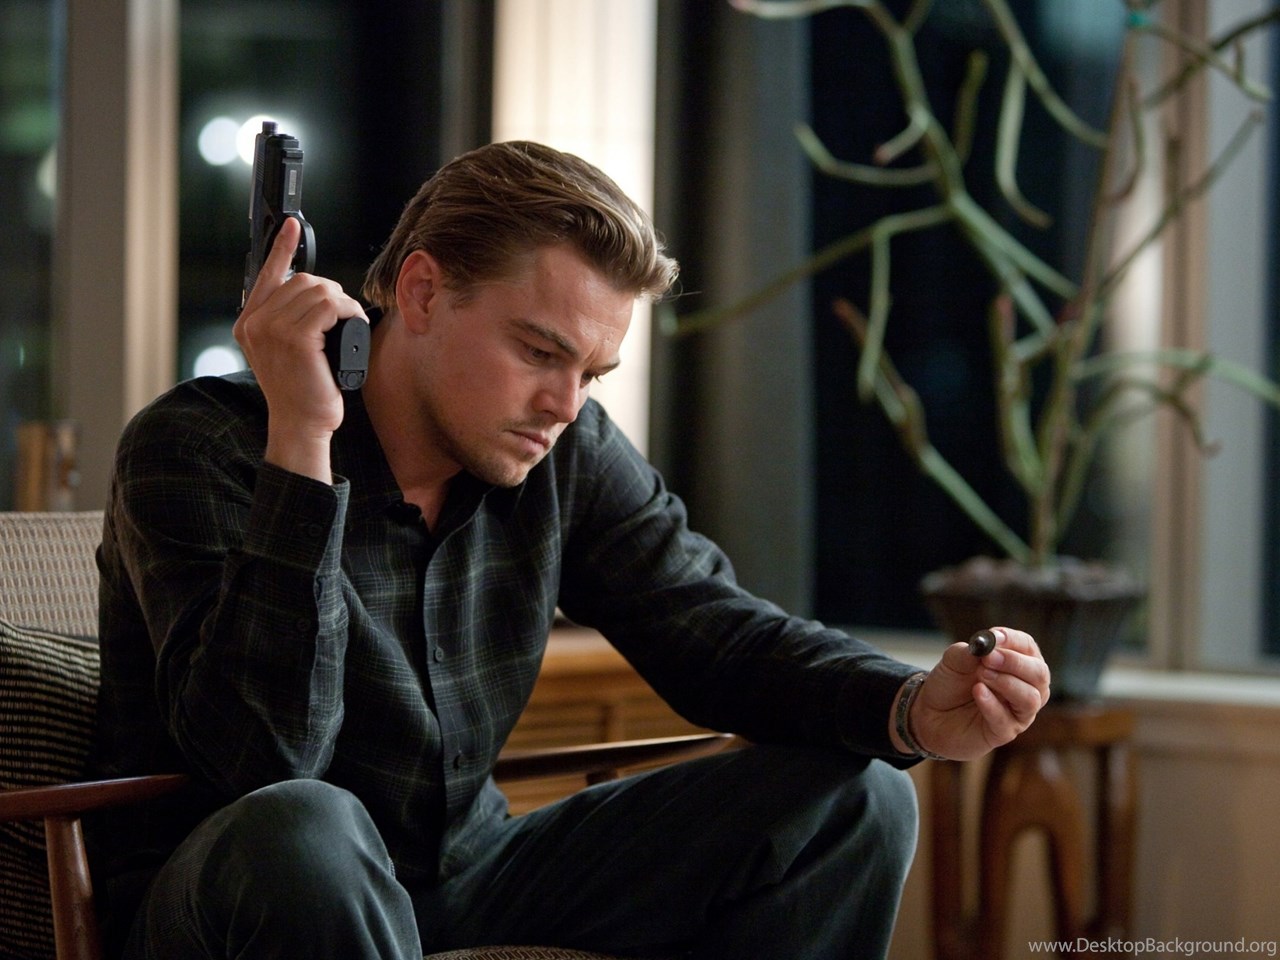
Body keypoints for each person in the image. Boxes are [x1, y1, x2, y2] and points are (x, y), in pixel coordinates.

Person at [89, 140, 1051, 960]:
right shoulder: (201, 446)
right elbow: (263, 762)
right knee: (306, 825)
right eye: (541, 352)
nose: (564, 403)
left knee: (858, 797)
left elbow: (712, 628)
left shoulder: (563, 447)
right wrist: (302, 441)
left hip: (470, 875)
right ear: (421, 292)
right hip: (247, 895)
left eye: (592, 372)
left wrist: (909, 706)